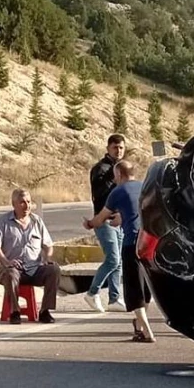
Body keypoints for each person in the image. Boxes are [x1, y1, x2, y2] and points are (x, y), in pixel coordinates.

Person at [85, 160, 155, 343]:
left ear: (119, 175)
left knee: (134, 289)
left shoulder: (117, 192)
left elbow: (100, 219)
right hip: (149, 244)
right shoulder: (145, 187)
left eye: (115, 176)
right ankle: (139, 327)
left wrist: (90, 224)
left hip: (131, 243)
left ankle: (147, 331)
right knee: (146, 287)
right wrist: (122, 217)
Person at [0, 188, 60, 324]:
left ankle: (45, 311)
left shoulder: (36, 221)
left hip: (35, 268)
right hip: (13, 269)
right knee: (10, 274)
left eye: (29, 202)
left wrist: (47, 258)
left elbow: (48, 245)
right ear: (14, 204)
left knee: (54, 269)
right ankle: (15, 311)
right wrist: (6, 261)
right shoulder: (3, 222)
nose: (27, 206)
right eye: (22, 202)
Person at [83, 134, 125, 313]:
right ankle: (92, 293)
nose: (118, 150)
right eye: (115, 147)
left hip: (119, 220)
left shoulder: (121, 169)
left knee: (119, 262)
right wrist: (112, 177)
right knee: (112, 259)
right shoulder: (101, 169)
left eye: (121, 147)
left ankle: (114, 298)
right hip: (104, 219)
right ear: (108, 148)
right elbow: (99, 194)